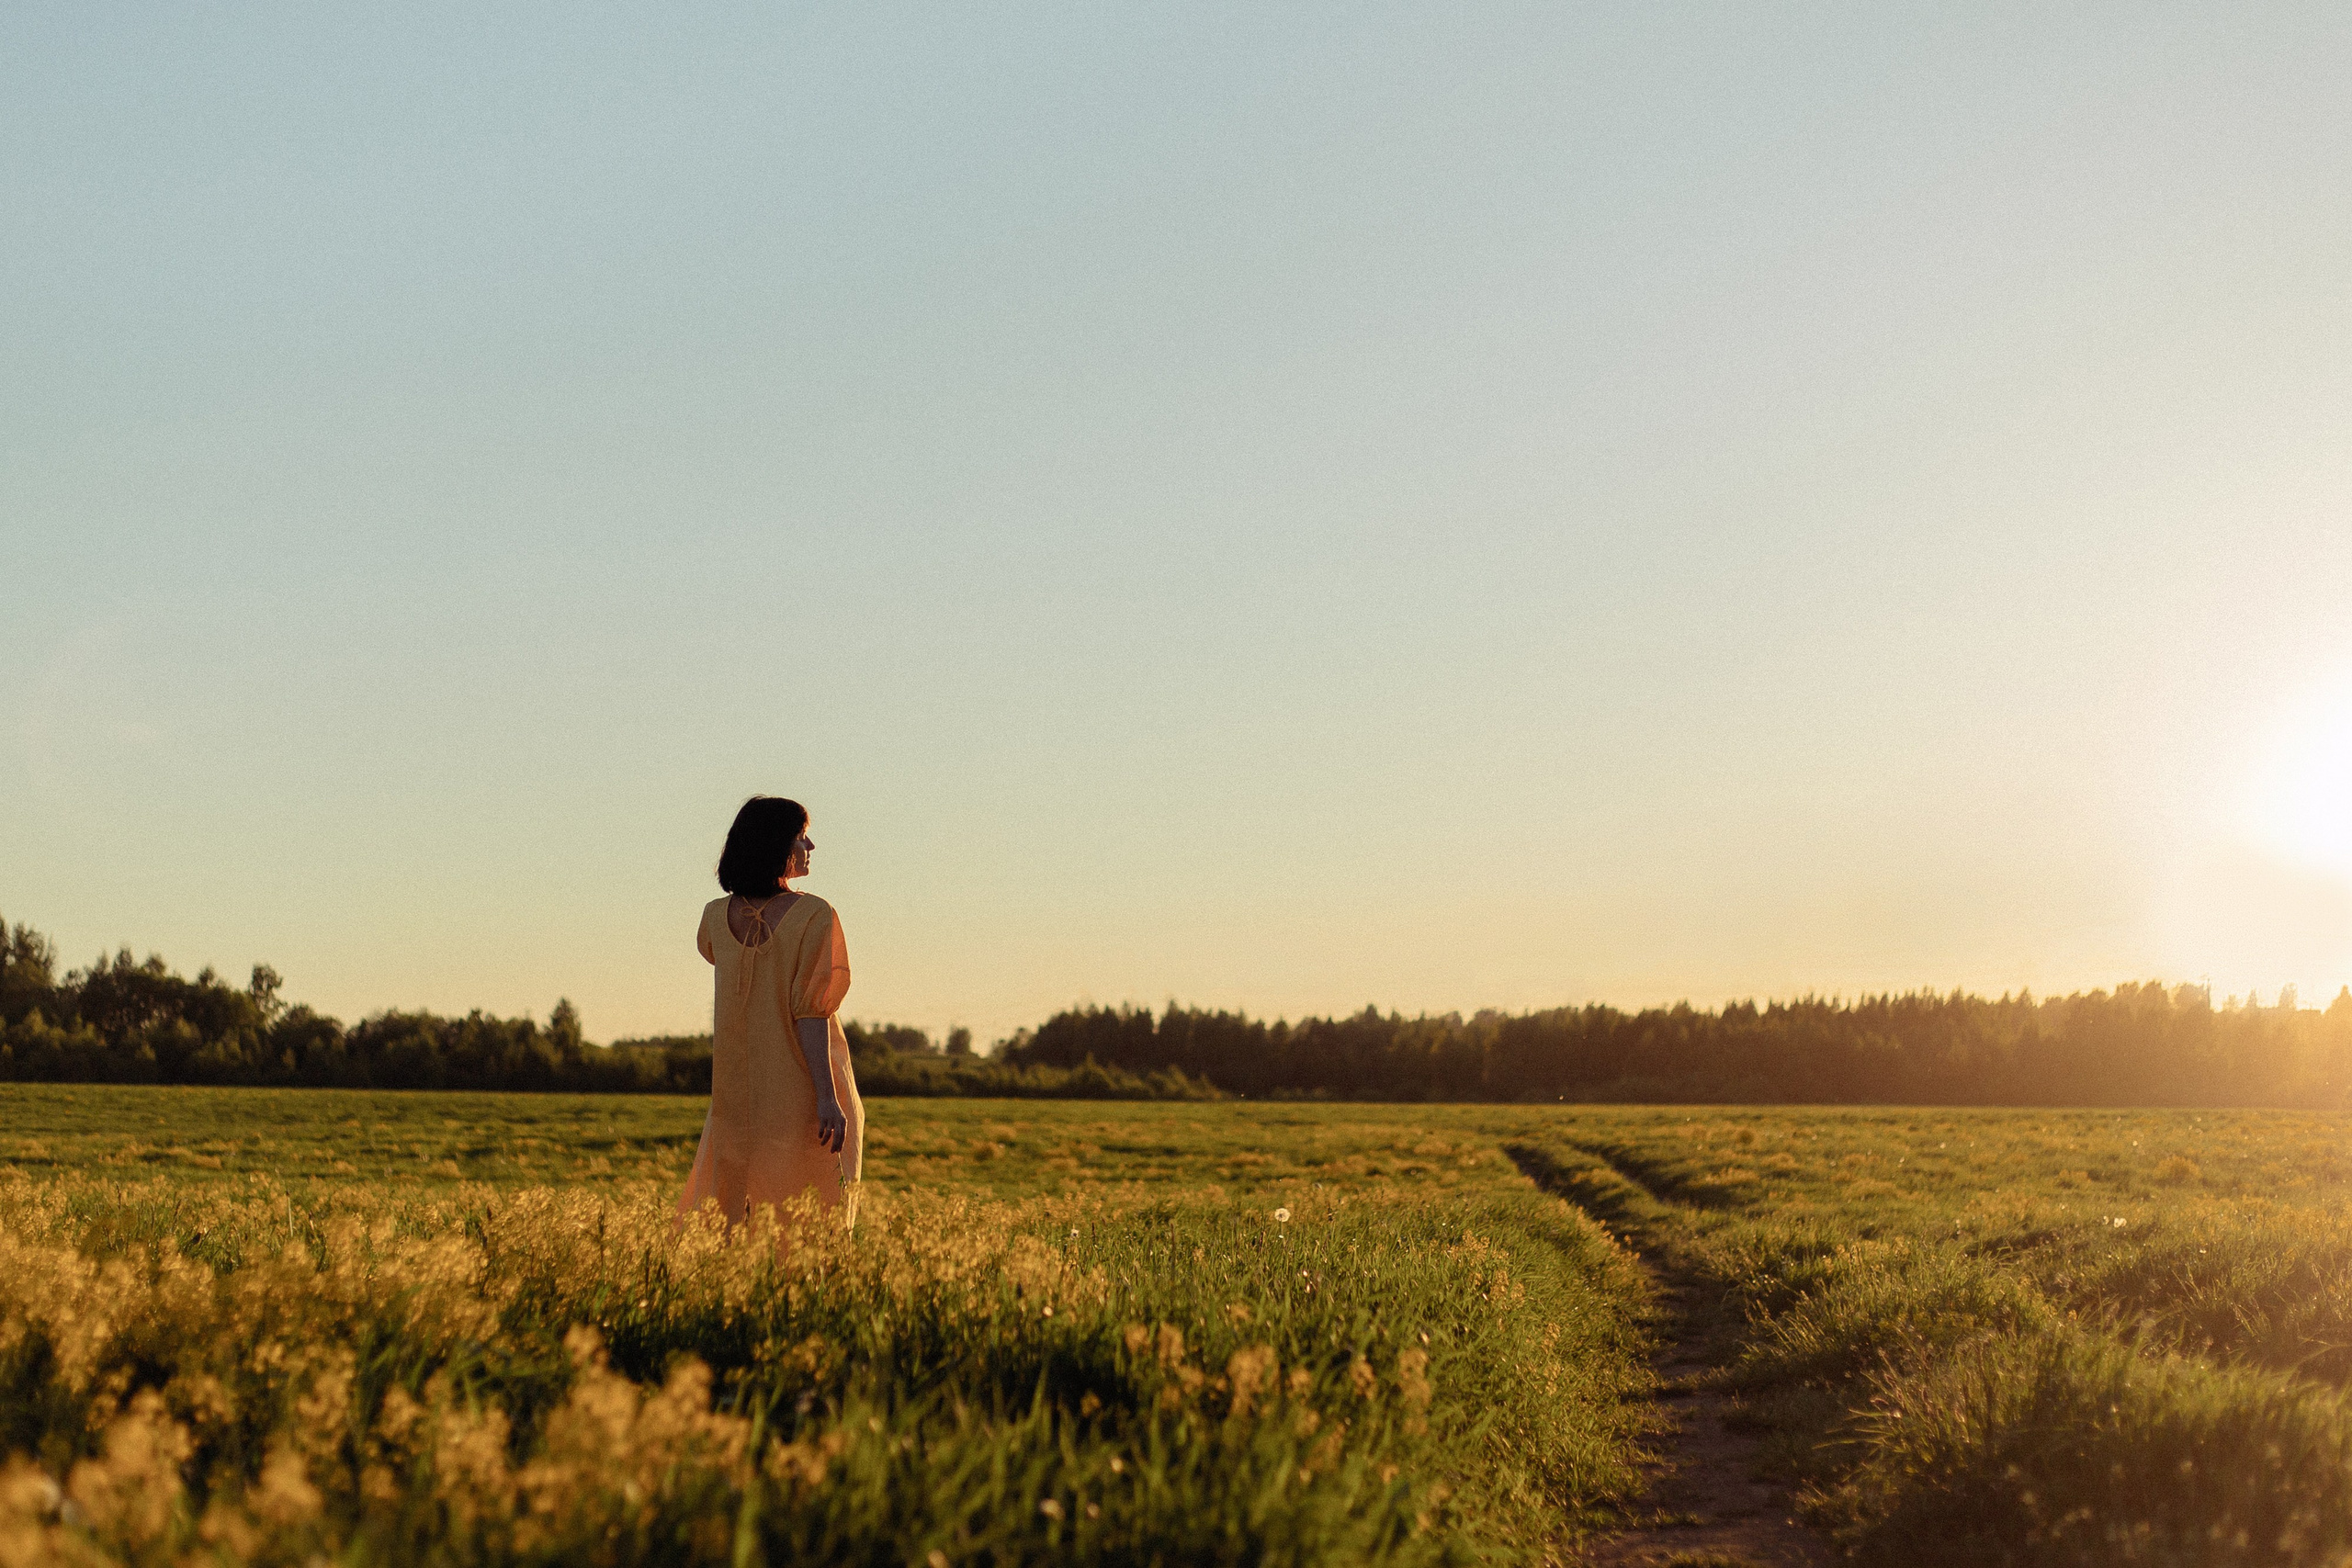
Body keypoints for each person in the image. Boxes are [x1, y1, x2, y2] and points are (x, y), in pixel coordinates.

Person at [674, 795, 864, 1234]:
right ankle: (802, 1292)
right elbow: (810, 1014)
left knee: (737, 1202)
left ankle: (738, 1289)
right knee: (815, 1204)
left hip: (737, 1089)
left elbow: (718, 958)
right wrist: (827, 1095)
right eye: (800, 837)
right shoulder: (815, 914)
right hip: (806, 1082)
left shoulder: (714, 918)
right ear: (775, 845)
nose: (810, 846)